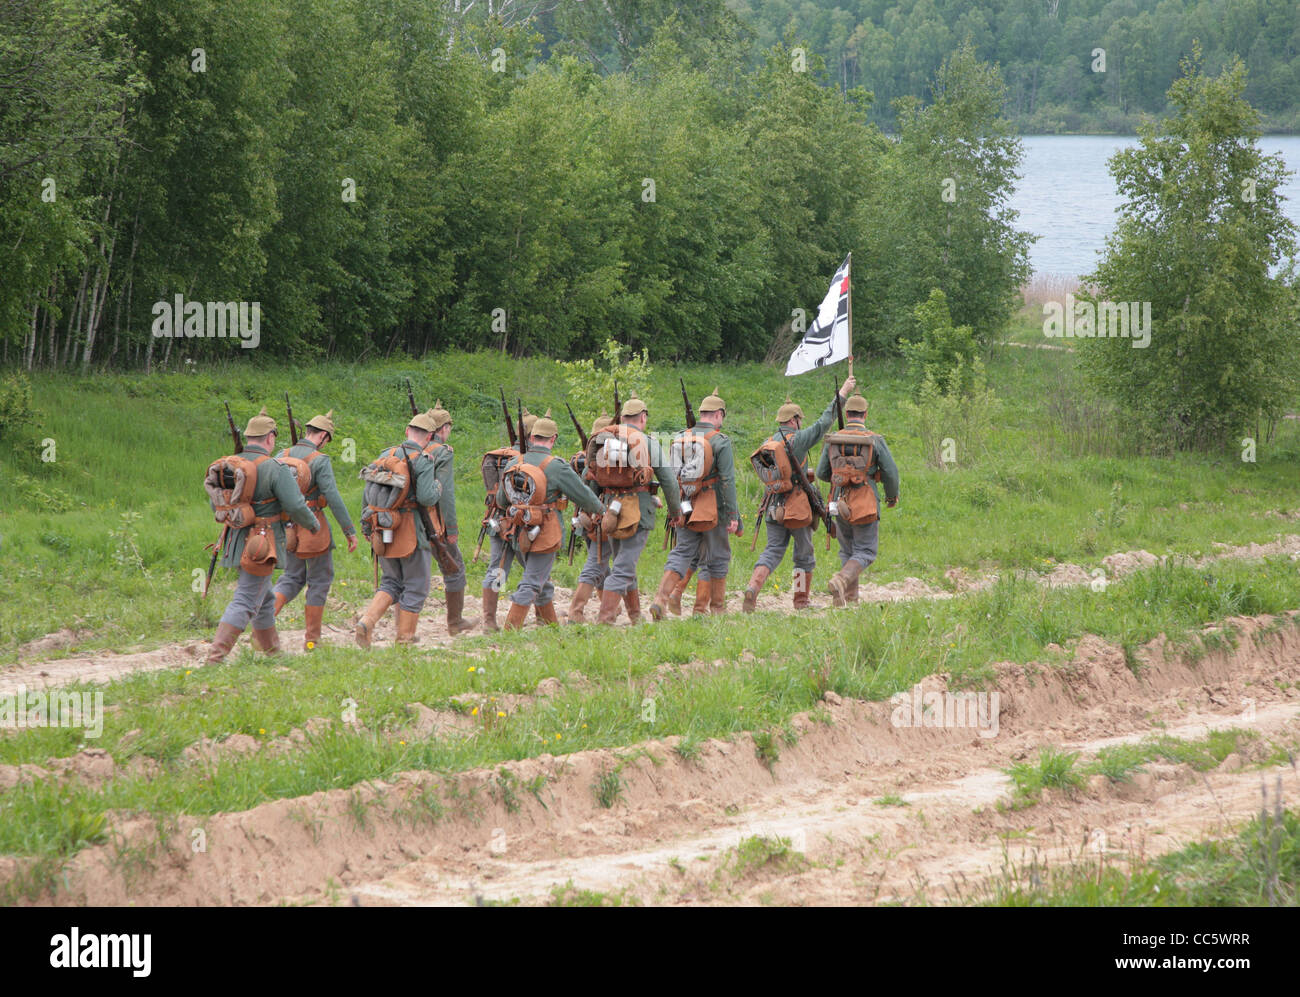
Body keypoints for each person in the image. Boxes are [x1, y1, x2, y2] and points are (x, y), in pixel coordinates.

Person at [207, 407, 320, 662]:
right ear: (270, 438)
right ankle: (215, 657)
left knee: (265, 597)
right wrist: (312, 525)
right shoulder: (274, 468)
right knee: (247, 598)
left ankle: (272, 652)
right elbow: (295, 505)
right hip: (262, 543)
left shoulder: (230, 466)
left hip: (235, 540)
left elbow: (217, 505)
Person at [743, 376, 855, 612]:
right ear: (794, 421)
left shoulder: (768, 442)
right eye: (799, 419)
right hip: (797, 507)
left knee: (772, 551)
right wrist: (843, 393)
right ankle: (801, 601)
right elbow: (825, 421)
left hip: (773, 505)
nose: (801, 423)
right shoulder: (799, 440)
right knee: (804, 555)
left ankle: (753, 587)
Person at [496, 411, 605, 630]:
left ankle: (550, 626)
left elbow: (501, 499)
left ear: (532, 437)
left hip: (518, 531)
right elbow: (583, 495)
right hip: (545, 532)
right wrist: (602, 510)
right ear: (553, 439)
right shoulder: (555, 465)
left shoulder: (513, 462)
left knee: (541, 580)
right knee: (533, 580)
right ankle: (510, 629)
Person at [354, 410, 443, 646]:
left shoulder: (384, 456)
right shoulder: (422, 460)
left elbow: (368, 496)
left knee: (390, 582)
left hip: (381, 528)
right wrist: (437, 487)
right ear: (430, 436)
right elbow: (425, 498)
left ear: (407, 431)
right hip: (411, 531)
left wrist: (367, 526)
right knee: (416, 585)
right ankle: (404, 639)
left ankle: (367, 621)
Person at [271, 409, 358, 650]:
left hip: (286, 527)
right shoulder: (320, 460)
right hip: (312, 528)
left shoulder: (281, 454)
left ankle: (263, 626)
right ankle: (312, 640)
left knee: (290, 577)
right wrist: (349, 530)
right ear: (322, 436)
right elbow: (333, 497)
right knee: (319, 580)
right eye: (327, 440)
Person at [591, 395, 681, 625]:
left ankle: (634, 617)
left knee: (623, 562)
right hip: (637, 512)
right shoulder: (647, 441)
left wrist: (593, 508)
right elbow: (669, 481)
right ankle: (604, 619)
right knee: (623, 567)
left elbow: (592, 476)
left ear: (621, 418)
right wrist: (675, 512)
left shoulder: (605, 439)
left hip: (610, 511)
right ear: (643, 417)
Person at [650, 388, 739, 619]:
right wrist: (733, 515)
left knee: (681, 553)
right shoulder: (720, 441)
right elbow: (728, 480)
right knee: (717, 558)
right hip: (713, 510)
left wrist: (675, 507)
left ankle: (660, 599)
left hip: (685, 504)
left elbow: (671, 475)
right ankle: (715, 610)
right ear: (718, 414)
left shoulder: (680, 437)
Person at [816, 393, 900, 606]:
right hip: (865, 501)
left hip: (839, 501)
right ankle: (842, 580)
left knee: (847, 550)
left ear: (846, 414)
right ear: (865, 414)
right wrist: (891, 496)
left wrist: (841, 479)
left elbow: (822, 472)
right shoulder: (874, 439)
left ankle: (849, 599)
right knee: (866, 551)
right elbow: (890, 472)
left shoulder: (834, 438)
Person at [421, 399, 476, 635]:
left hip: (409, 523)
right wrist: (451, 529)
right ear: (443, 429)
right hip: (434, 523)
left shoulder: (415, 448)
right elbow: (446, 495)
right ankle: (455, 623)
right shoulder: (441, 452)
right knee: (455, 569)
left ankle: (371, 620)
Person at [480, 410, 537, 631]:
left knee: (498, 570)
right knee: (535, 570)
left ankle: (488, 621)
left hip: (498, 521)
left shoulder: (496, 457)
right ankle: (545, 619)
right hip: (525, 522)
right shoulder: (527, 459)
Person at [566, 411, 613, 623]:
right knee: (597, 561)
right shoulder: (607, 460)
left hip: (583, 518)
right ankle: (576, 611)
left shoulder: (578, 459)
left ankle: (610, 606)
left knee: (608, 563)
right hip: (602, 519)